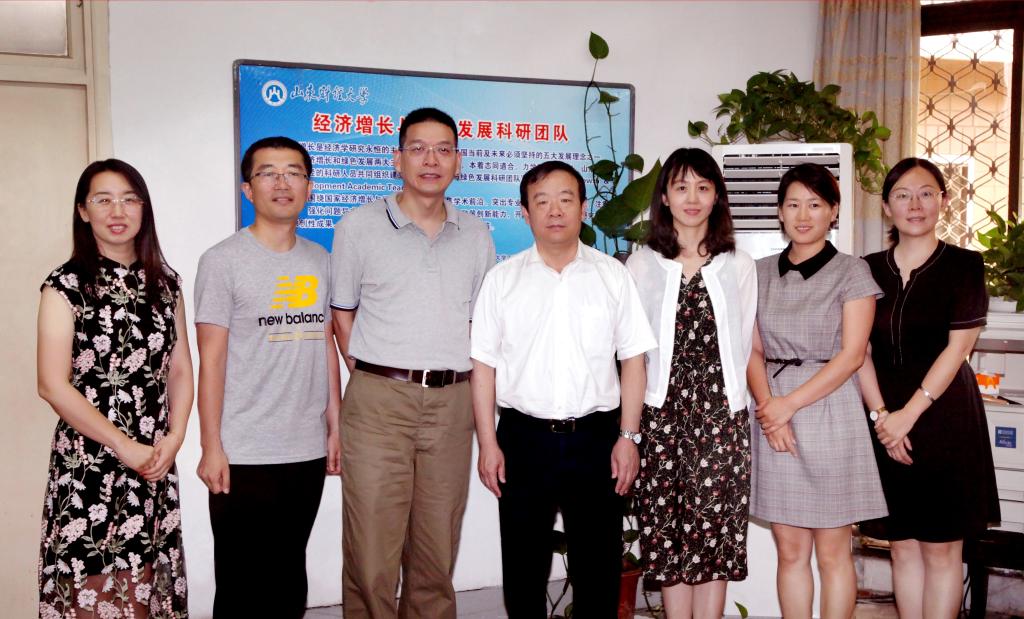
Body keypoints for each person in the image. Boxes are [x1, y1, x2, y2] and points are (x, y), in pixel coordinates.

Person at [472, 160, 657, 618]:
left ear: (583, 208)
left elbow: (634, 360)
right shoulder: (502, 280)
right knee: (523, 569)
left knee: (598, 570)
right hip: (523, 439)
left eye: (565, 199)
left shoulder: (612, 275)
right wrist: (488, 444)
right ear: (525, 212)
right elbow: (483, 367)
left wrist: (628, 437)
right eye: (542, 201)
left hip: (596, 439)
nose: (554, 210)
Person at [330, 107, 495, 618]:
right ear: (397, 159)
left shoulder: (476, 233)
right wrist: (377, 374)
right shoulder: (358, 226)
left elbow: (481, 326)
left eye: (443, 150)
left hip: (452, 403)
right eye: (418, 149)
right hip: (379, 402)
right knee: (372, 548)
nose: (431, 160)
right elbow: (341, 314)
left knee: (436, 547)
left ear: (458, 161)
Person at [37, 159, 193, 617]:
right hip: (88, 464)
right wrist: (123, 445)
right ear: (83, 211)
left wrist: (175, 437)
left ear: (144, 208)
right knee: (89, 587)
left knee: (145, 587)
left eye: (129, 199)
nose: (117, 210)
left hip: (153, 462)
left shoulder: (166, 284)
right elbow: (51, 384)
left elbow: (180, 369)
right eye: (103, 200)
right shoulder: (65, 285)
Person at [195, 136, 341, 618]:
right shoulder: (222, 260)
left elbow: (325, 344)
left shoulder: (321, 260)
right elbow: (211, 358)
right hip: (243, 451)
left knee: (288, 577)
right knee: (241, 585)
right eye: (268, 173)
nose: (282, 183)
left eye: (294, 172)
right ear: (248, 189)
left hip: (304, 448)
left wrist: (334, 425)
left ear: (309, 187)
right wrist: (211, 446)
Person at [857, 158, 1000, 619]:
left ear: (943, 200)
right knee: (902, 547)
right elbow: (859, 351)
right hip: (884, 416)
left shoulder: (964, 265)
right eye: (902, 195)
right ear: (886, 206)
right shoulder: (865, 269)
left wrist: (906, 416)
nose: (914, 204)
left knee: (941, 550)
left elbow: (958, 349)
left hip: (945, 417)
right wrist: (883, 418)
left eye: (925, 193)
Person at [747, 163, 887, 619]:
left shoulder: (853, 272)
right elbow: (751, 349)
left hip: (831, 409)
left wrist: (786, 406)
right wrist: (770, 411)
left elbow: (853, 355)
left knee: (832, 551)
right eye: (793, 204)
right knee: (790, 549)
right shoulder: (758, 273)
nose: (803, 215)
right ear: (779, 212)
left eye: (815, 204)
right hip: (772, 410)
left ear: (833, 211)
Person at [625, 148, 757, 619]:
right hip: (660, 417)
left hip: (721, 420)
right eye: (681, 187)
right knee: (667, 537)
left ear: (717, 195)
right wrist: (631, 430)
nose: (693, 198)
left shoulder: (738, 264)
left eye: (703, 187)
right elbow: (633, 352)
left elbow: (744, 343)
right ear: (664, 196)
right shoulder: (641, 265)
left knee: (713, 537)